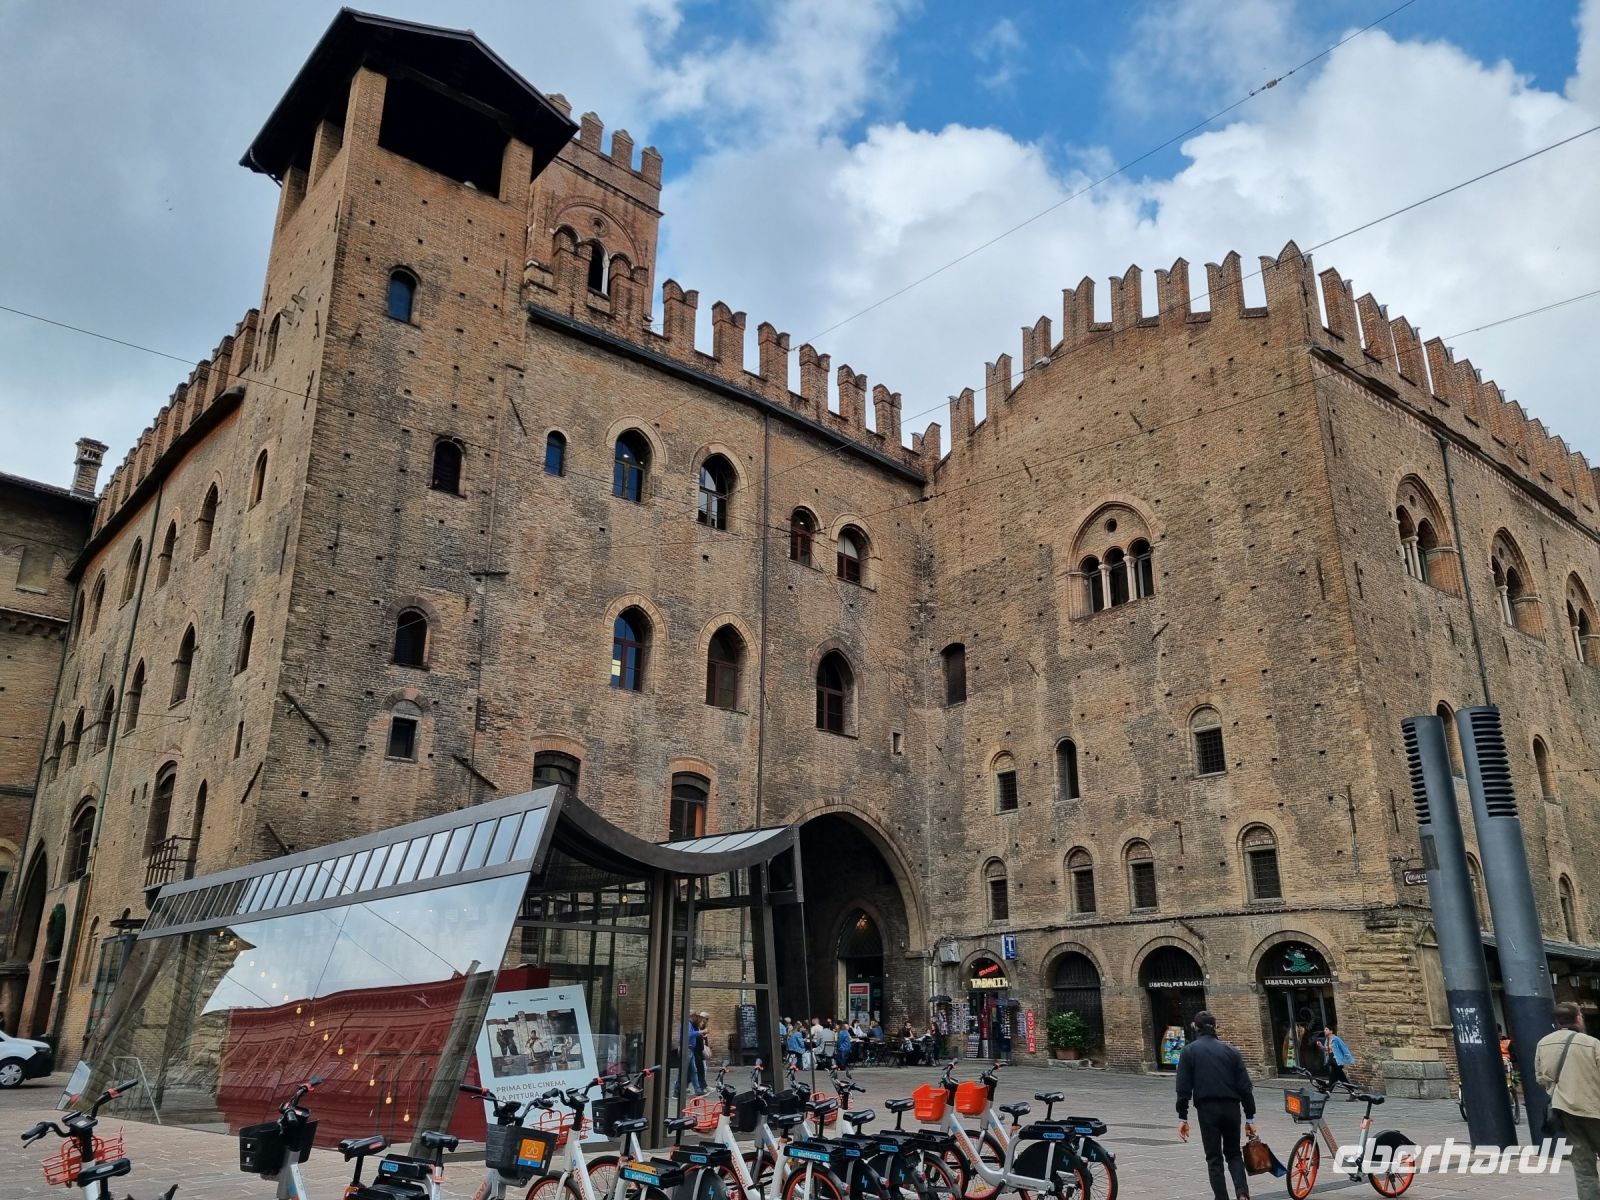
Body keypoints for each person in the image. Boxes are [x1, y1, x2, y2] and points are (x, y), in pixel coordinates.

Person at [1176, 1011, 1257, 1200]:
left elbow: (1183, 1088)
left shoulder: (1189, 1051)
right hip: (1231, 1108)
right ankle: (1242, 1193)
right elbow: (1246, 1087)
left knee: (1214, 1158)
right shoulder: (1231, 1051)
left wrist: (1182, 1116)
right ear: (1216, 1027)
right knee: (1234, 1153)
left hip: (1207, 1109)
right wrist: (1250, 1117)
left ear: (1195, 1028)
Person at [1537, 1001, 1600, 1200]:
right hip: (1595, 1109)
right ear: (1578, 1018)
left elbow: (1540, 1078)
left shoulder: (1543, 1043)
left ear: (1558, 1021)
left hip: (1565, 1111)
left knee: (1583, 1167)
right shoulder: (1591, 1043)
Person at [1319, 1022, 1355, 1092]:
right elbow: (1328, 1049)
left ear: (1331, 1031)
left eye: (1326, 1029)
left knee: (1340, 1078)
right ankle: (1328, 1091)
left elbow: (1344, 1048)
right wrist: (1321, 1047)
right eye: (1324, 1029)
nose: (1324, 1030)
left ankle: (1351, 1092)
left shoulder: (1336, 1039)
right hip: (1332, 1062)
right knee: (1334, 1078)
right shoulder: (1327, 1040)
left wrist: (1350, 1060)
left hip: (1337, 1062)